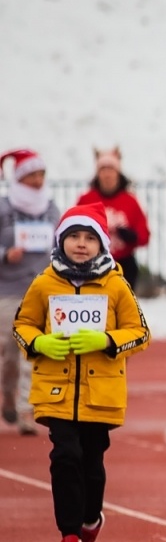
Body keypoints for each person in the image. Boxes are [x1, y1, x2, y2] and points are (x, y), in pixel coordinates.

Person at [11, 204, 150, 542]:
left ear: (102, 244)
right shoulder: (44, 283)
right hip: (55, 391)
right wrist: (39, 343)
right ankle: (69, 538)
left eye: (90, 237)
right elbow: (22, 325)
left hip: (100, 394)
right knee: (64, 456)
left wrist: (106, 340)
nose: (81, 244)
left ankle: (90, 521)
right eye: (74, 236)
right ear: (61, 240)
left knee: (91, 461)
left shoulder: (115, 285)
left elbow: (140, 333)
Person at [0, 148, 60, 436]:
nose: (38, 180)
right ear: (20, 177)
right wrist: (5, 254)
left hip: (41, 289)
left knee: (32, 352)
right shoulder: (4, 208)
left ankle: (27, 409)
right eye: (32, 175)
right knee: (9, 356)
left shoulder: (50, 208)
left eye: (41, 174)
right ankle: (8, 396)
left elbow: (62, 240)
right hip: (8, 291)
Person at [75, 147, 150, 294]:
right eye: (103, 170)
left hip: (123, 264)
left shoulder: (130, 201)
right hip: (91, 264)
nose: (107, 174)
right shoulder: (86, 200)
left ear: (118, 173)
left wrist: (131, 236)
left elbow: (144, 235)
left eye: (111, 170)